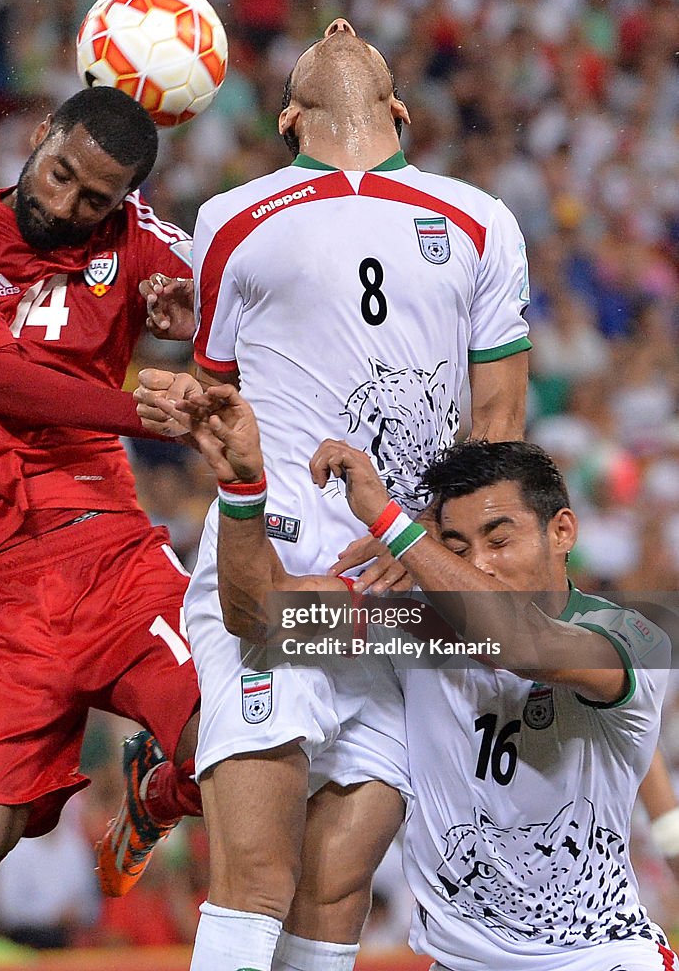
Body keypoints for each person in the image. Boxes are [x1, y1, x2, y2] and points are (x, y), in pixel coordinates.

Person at [136, 18, 530, 971]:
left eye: (351, 32)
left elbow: (501, 419)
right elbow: (227, 405)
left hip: (404, 595)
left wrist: (435, 551)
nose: (339, 26)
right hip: (283, 575)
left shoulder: (481, 217)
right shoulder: (230, 219)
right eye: (322, 40)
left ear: (401, 108)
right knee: (259, 879)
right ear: (288, 116)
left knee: (336, 890)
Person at [170, 383, 676, 971]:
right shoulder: (416, 622)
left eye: (500, 538)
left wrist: (394, 526)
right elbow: (263, 614)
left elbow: (518, 643)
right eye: (458, 546)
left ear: (562, 531)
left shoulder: (630, 636)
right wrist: (243, 489)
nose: (480, 562)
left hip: (601, 957)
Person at [0, 86, 203, 966]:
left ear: (125, 199)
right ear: (38, 137)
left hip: (109, 549)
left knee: (244, 748)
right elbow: (1, 381)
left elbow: (248, 292)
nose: (63, 206)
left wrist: (207, 322)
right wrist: (145, 408)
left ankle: (157, 792)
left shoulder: (145, 246)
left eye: (93, 199)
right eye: (58, 175)